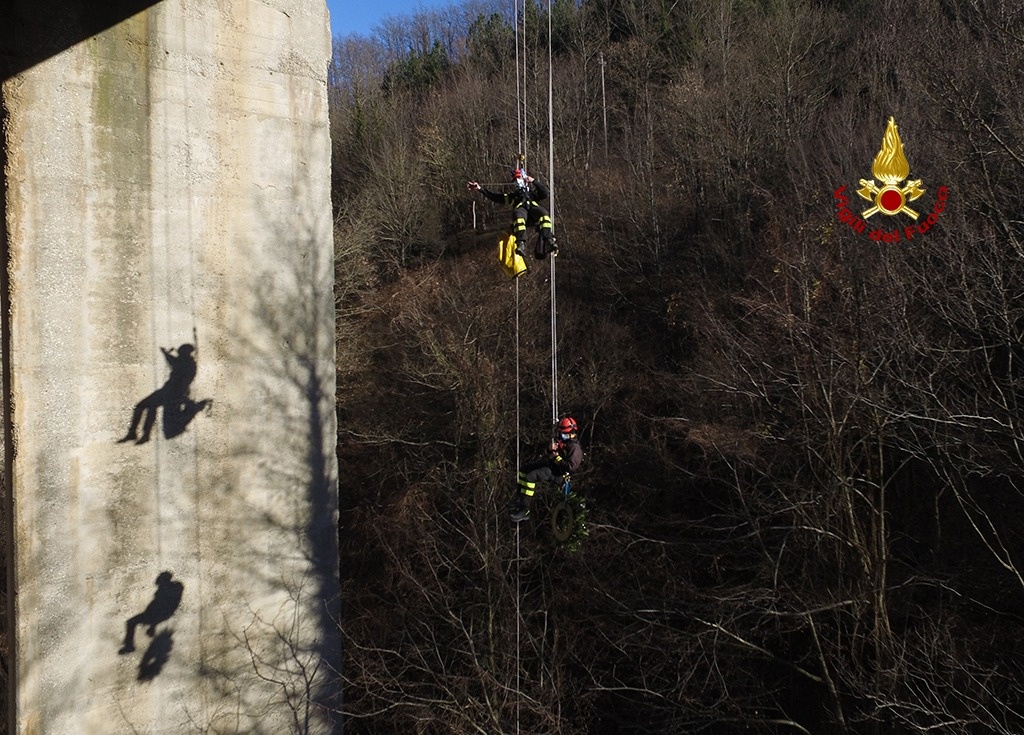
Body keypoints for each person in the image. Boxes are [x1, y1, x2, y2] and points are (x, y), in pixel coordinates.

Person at [467, 169, 558, 260]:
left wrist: (533, 181)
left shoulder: (532, 195)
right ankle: (521, 243)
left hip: (533, 212)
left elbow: (545, 193)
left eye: (519, 179)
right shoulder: (512, 197)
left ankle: (548, 239)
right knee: (518, 215)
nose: (517, 182)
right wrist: (480, 189)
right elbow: (494, 197)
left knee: (543, 213)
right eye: (515, 180)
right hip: (522, 215)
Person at [510, 417, 583, 522]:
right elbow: (551, 454)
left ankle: (525, 510)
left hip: (559, 474)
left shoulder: (574, 448)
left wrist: (556, 457)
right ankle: (520, 499)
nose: (561, 436)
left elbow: (570, 467)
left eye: (563, 434)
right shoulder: (564, 443)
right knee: (523, 470)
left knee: (531, 477)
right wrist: (550, 450)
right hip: (552, 466)